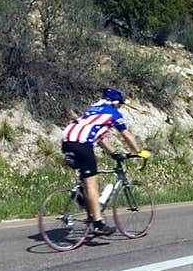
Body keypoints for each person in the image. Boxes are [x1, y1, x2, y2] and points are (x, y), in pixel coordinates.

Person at [61, 88, 149, 237]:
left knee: (85, 178)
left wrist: (113, 153)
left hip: (66, 140)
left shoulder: (93, 110)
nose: (120, 107)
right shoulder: (113, 113)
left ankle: (83, 198)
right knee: (92, 184)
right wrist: (138, 152)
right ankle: (98, 224)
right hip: (82, 143)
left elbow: (101, 137)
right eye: (120, 104)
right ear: (115, 103)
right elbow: (126, 135)